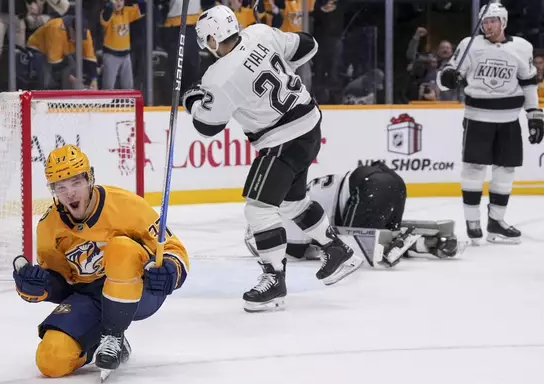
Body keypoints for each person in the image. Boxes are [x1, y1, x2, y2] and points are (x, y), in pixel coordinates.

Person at [182, 5, 362, 313]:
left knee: (259, 210)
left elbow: (207, 126)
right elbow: (309, 45)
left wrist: (193, 100)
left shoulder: (218, 76)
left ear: (212, 39)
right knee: (292, 203)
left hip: (282, 139)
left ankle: (274, 279)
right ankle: (336, 249)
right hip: (309, 124)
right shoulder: (259, 33)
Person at [12, 145, 189, 381]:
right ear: (53, 190)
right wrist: (38, 287)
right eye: (61, 186)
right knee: (51, 360)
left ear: (90, 178)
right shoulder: (49, 226)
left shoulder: (125, 205)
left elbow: (173, 248)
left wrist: (170, 269)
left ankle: (114, 336)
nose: (70, 193)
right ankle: (100, 341)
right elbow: (63, 284)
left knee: (121, 248)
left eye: (76, 182)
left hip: (140, 291)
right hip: (91, 295)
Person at [437, 2, 543, 245]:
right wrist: (448, 77)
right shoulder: (469, 44)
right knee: (474, 169)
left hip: (509, 120)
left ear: (503, 22)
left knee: (505, 171)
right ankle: (472, 221)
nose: (487, 25)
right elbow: (446, 78)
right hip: (478, 118)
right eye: (484, 21)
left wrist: (534, 115)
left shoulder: (522, 47)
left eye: (493, 20)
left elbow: (528, 83)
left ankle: (496, 222)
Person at [245, 161, 461, 278]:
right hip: (386, 182)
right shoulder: (289, 200)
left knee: (354, 246)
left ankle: (402, 244)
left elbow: (297, 253)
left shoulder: (283, 213)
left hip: (367, 187)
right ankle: (427, 243)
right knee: (380, 237)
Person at [27, 15, 98, 89]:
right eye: (75, 35)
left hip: (63, 52)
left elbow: (90, 58)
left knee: (74, 68)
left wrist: (94, 80)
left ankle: (71, 93)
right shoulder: (55, 28)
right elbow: (54, 62)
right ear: (70, 28)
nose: (78, 39)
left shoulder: (85, 33)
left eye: (81, 37)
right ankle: (47, 94)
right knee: (47, 79)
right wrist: (73, 80)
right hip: (39, 49)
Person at [100, 0, 143, 90]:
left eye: (121, 0)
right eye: (116, 0)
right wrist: (111, 4)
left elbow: (142, 8)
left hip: (126, 55)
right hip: (111, 55)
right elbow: (105, 19)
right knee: (108, 88)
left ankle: (127, 104)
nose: (119, 3)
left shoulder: (127, 11)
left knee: (129, 87)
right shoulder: (106, 13)